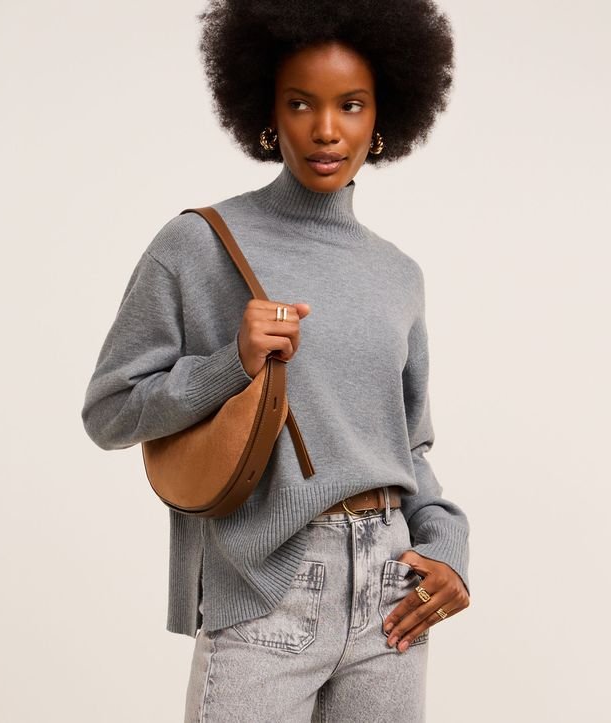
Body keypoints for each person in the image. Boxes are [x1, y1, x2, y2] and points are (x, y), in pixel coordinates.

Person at [81, 1, 471, 720]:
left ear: (382, 116)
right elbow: (110, 411)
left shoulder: (399, 274)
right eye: (300, 103)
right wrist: (230, 361)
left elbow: (408, 447)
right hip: (268, 583)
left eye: (350, 105)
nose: (326, 129)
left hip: (391, 589)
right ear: (267, 111)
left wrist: (448, 545)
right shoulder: (199, 243)